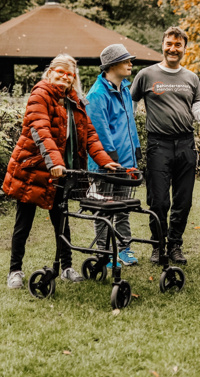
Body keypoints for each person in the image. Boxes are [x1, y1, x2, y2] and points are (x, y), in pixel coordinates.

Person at [4, 54, 121, 289]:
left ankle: (66, 267)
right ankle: (15, 270)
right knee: (23, 222)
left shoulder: (75, 100)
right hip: (33, 169)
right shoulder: (40, 94)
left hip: (61, 172)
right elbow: (41, 130)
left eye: (69, 74)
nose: (64, 76)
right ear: (50, 72)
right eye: (60, 71)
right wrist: (55, 163)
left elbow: (89, 134)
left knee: (62, 221)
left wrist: (104, 160)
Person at [131, 27, 200, 265]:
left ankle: (175, 246)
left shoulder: (190, 78)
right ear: (163, 45)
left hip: (186, 144)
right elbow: (130, 103)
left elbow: (198, 111)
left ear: (184, 49)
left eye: (178, 45)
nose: (173, 49)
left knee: (183, 200)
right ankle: (158, 246)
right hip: (158, 144)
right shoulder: (146, 75)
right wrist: (129, 136)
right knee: (158, 201)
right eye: (169, 43)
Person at [86, 43, 142, 268]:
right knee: (104, 209)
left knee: (122, 207)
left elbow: (130, 125)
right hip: (106, 166)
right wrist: (112, 162)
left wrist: (135, 153)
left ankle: (125, 248)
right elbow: (100, 133)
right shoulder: (97, 94)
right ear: (111, 65)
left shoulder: (125, 90)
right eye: (126, 60)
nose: (130, 63)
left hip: (126, 163)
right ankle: (105, 253)